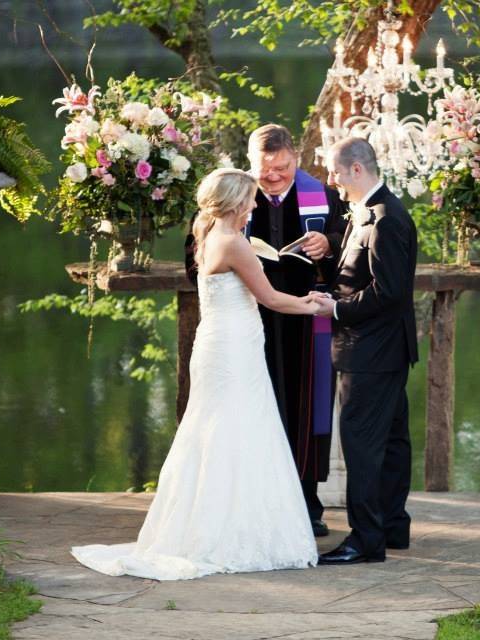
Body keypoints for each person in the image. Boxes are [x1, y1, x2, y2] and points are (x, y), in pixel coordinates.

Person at [72, 169, 322, 580]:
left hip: (219, 343)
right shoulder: (233, 242)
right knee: (240, 429)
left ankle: (210, 523)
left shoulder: (205, 229)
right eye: (251, 200)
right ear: (236, 203)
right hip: (233, 347)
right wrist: (312, 304)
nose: (255, 207)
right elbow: (272, 298)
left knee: (215, 431)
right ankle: (230, 533)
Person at [186, 124, 347, 537]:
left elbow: (349, 252)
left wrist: (327, 244)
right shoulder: (229, 201)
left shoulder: (323, 197)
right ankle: (247, 500)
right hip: (250, 322)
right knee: (252, 410)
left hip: (305, 326)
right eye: (265, 169)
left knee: (304, 408)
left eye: (283, 167)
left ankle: (306, 501)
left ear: (296, 157)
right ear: (251, 164)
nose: (274, 177)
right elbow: (195, 265)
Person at [314, 138, 419, 564]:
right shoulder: (369, 214)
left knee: (362, 445)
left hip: (372, 353)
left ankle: (365, 540)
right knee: (392, 443)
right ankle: (392, 527)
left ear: (357, 170)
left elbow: (389, 293)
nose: (332, 181)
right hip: (380, 351)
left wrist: (335, 308)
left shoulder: (387, 219)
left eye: (336, 173)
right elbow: (359, 275)